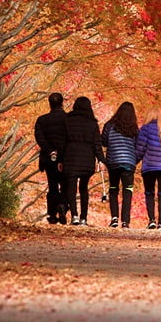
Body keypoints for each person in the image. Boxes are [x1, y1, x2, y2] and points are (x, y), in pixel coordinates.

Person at [63, 96, 104, 226]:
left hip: (71, 156)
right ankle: (83, 218)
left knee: (71, 187)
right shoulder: (92, 123)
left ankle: (74, 215)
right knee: (84, 189)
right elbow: (97, 144)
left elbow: (63, 141)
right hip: (87, 158)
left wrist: (60, 159)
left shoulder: (68, 120)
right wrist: (101, 159)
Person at [101, 101, 140, 228]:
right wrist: (134, 160)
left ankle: (114, 218)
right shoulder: (134, 128)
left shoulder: (109, 125)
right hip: (129, 162)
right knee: (127, 191)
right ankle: (125, 221)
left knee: (113, 189)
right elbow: (137, 146)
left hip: (113, 161)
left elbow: (104, 142)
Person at [34, 92, 67, 224]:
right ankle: (63, 205)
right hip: (65, 157)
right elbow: (70, 138)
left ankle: (52, 214)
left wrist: (50, 151)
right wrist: (61, 153)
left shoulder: (42, 120)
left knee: (52, 185)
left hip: (48, 158)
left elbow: (39, 138)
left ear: (50, 103)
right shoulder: (68, 119)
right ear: (62, 103)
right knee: (65, 185)